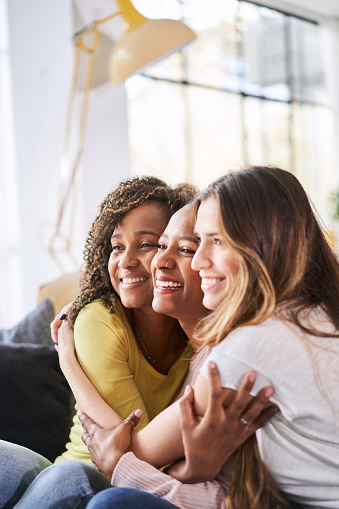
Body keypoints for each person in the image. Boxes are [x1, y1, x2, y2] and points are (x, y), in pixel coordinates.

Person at [79, 166, 338, 509]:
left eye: (211, 242)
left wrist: (122, 465)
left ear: (263, 244)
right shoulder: (312, 313)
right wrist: (195, 468)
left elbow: (128, 454)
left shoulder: (251, 345)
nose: (200, 260)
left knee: (107, 501)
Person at [0, 176, 198, 508]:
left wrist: (69, 365)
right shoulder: (98, 318)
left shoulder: (196, 332)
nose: (126, 261)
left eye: (146, 244)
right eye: (117, 246)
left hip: (113, 490)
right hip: (72, 478)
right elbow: (132, 451)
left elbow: (131, 452)